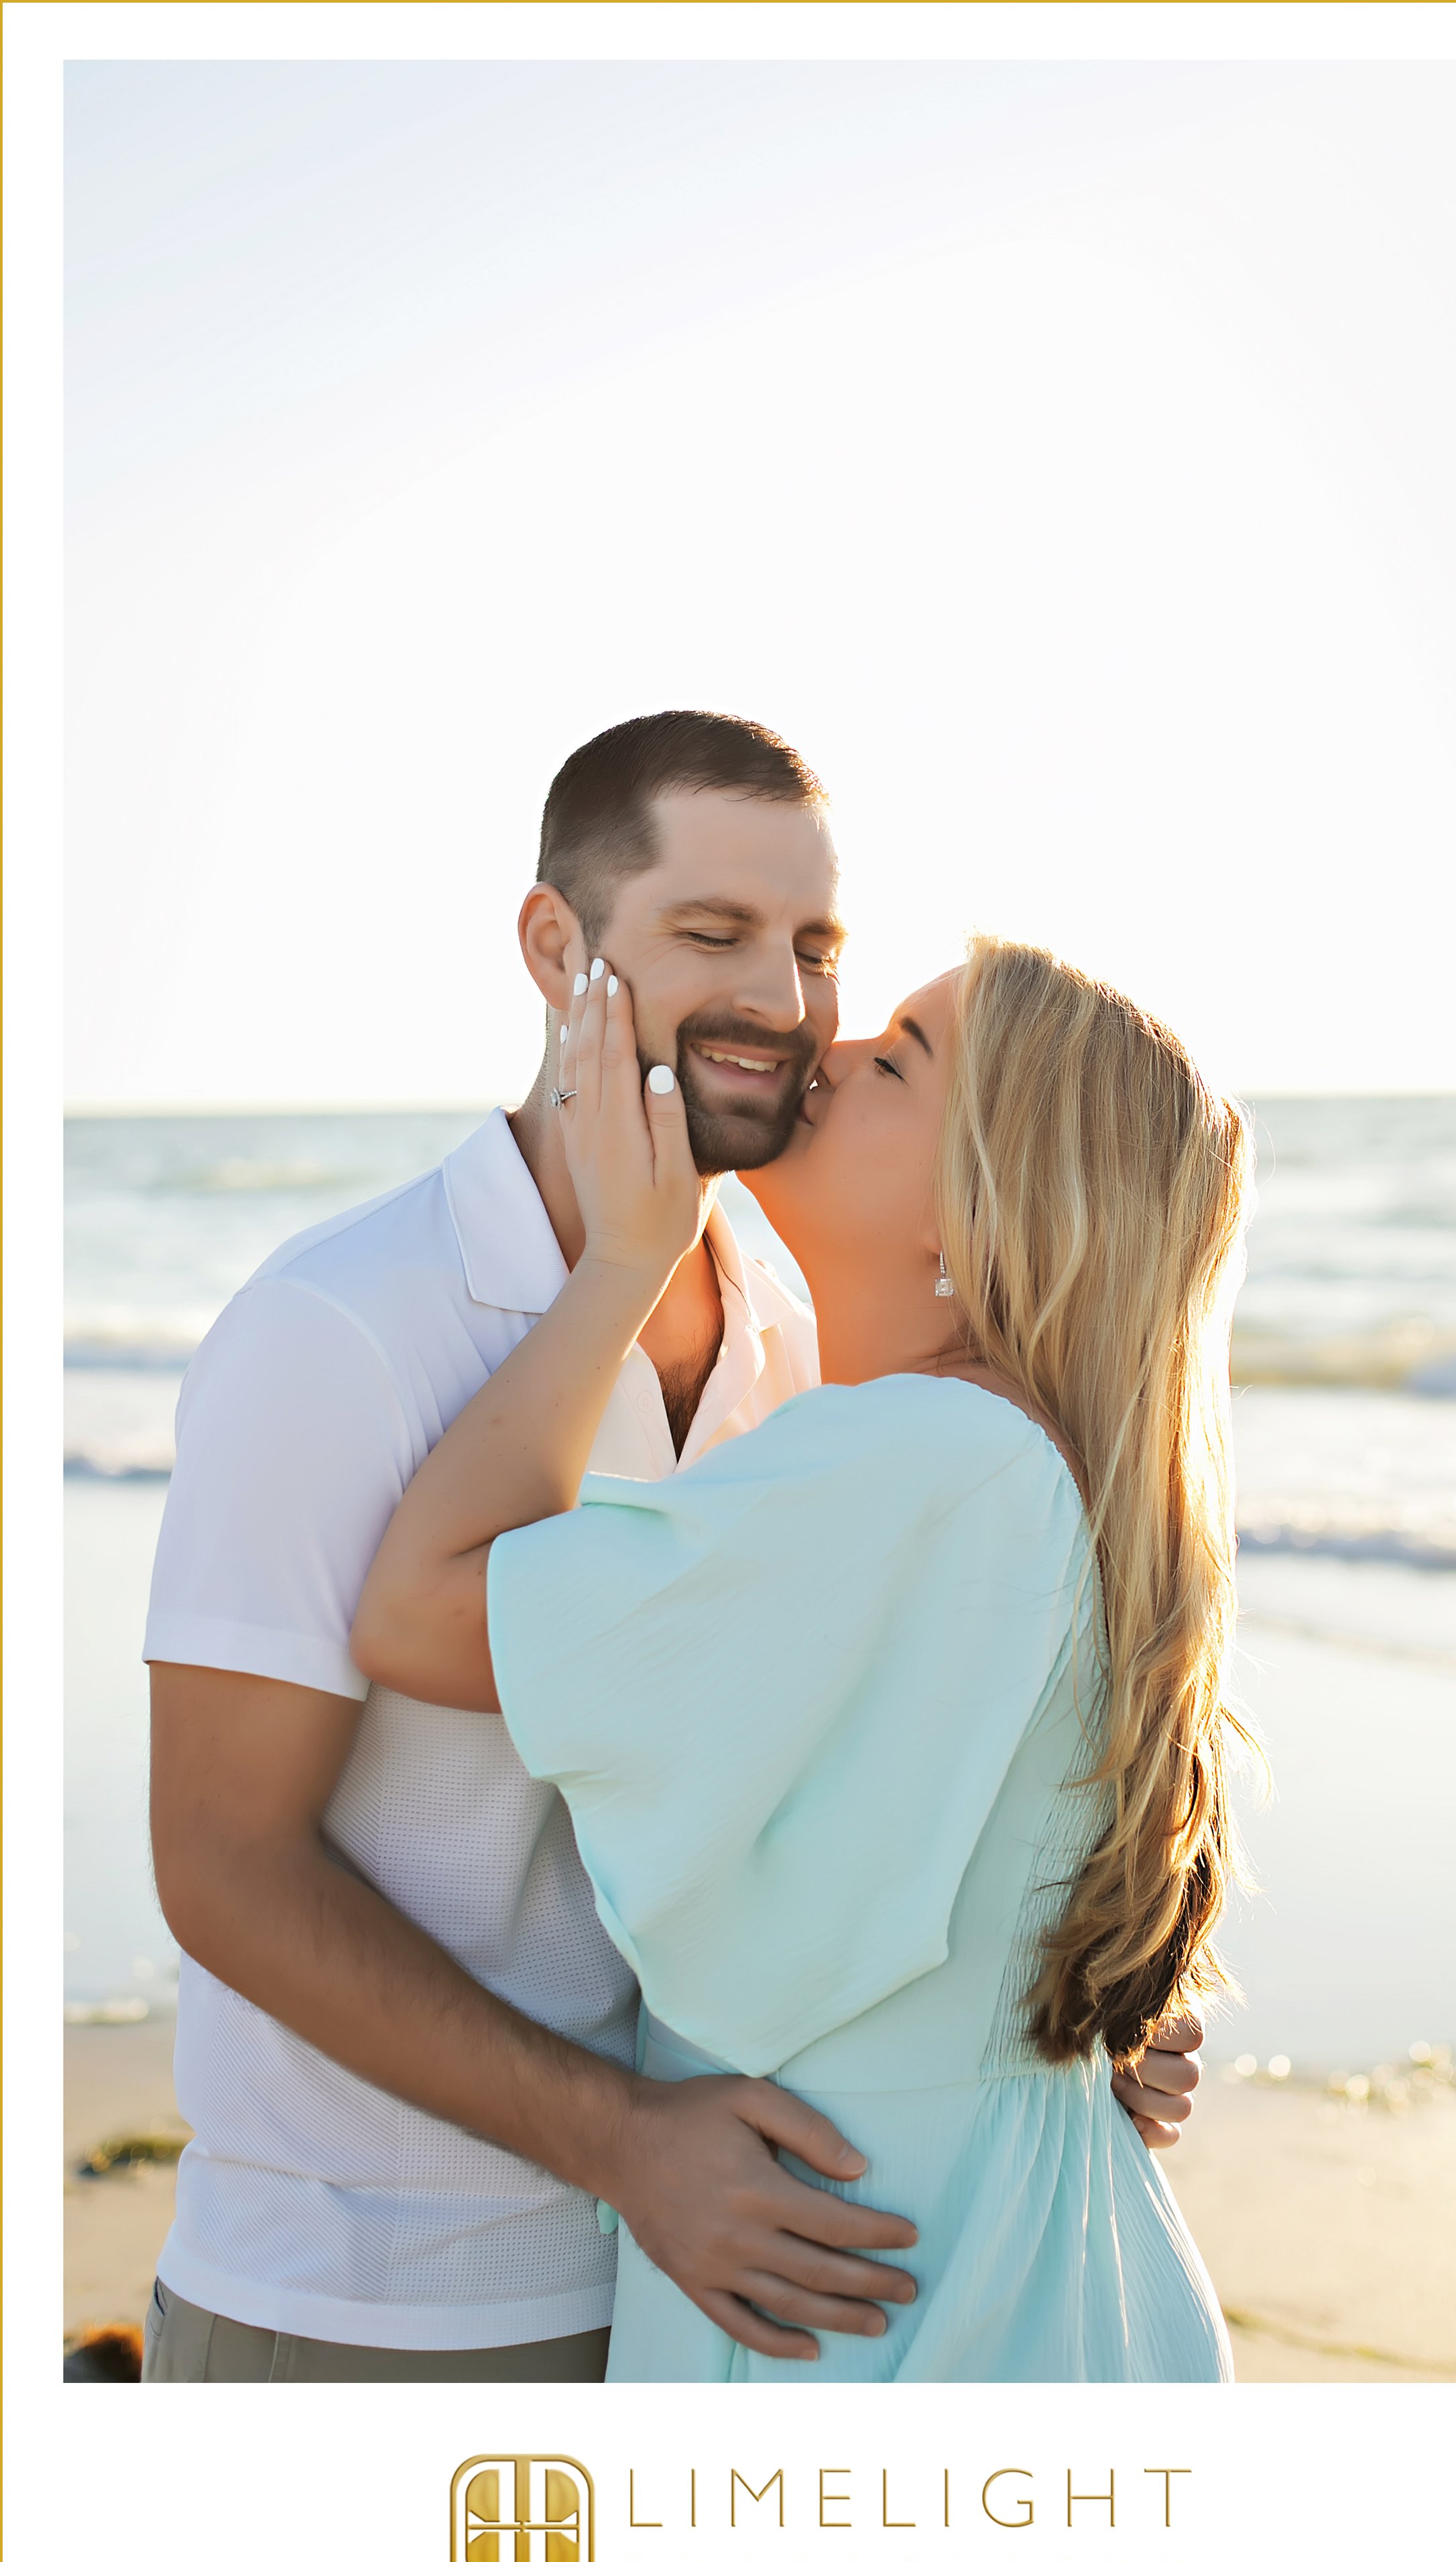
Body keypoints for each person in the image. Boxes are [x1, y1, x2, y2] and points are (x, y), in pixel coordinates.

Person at [142, 710, 1199, 2384]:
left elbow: (880, 1788)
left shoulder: (804, 1337)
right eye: (714, 934)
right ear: (556, 945)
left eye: (817, 946)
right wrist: (627, 2139)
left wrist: (1053, 2011)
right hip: (389, 2299)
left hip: (729, 2270)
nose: (784, 1005)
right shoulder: (337, 1328)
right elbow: (220, 1866)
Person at [353, 933, 1252, 2379]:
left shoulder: (922, 1460)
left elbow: (416, 1611)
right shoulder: (1012, 1467)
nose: (820, 1053)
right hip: (982, 2247)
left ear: (980, 1205)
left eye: (895, 1057)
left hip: (875, 2283)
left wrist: (624, 1254)